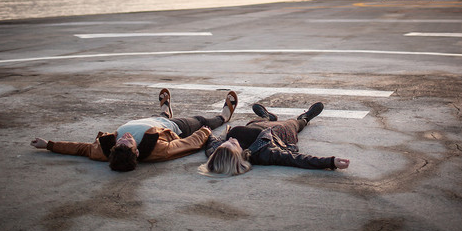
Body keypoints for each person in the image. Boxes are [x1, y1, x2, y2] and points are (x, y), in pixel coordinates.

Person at [31, 88, 238, 172]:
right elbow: (186, 144)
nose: (125, 138)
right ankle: (223, 115)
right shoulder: (158, 150)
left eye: (120, 141)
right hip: (176, 128)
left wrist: (48, 144)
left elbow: (79, 148)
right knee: (203, 120)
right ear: (136, 152)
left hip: (150, 120)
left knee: (159, 117)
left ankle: (165, 111)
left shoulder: (105, 151)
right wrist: (203, 132)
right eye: (128, 142)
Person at [201, 101, 350, 176]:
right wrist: (331, 161)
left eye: (225, 143)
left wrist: (206, 133)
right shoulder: (265, 153)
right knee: (293, 124)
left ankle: (267, 116)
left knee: (253, 123)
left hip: (257, 125)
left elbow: (211, 141)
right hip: (279, 132)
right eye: (232, 145)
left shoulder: (216, 150)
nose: (230, 140)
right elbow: (296, 159)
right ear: (238, 157)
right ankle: (305, 117)